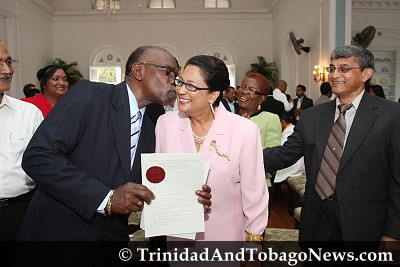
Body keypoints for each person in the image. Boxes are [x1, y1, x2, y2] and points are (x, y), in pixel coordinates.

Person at [18, 46, 211, 263]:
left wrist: (188, 200)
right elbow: (38, 156)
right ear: (139, 71)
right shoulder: (90, 95)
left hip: (111, 243)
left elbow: (151, 181)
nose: (175, 83)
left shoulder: (156, 120)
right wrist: (106, 198)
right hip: (58, 239)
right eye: (169, 73)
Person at [263, 45, 400, 253]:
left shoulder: (390, 115)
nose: (334, 75)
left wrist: (394, 231)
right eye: (332, 68)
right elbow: (285, 154)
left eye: (344, 69)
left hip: (365, 226)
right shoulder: (312, 117)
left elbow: (397, 179)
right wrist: (238, 155)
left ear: (366, 74)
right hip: (317, 220)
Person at [155, 55, 269, 241]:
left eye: (190, 86)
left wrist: (253, 245)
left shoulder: (244, 131)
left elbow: (254, 194)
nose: (180, 90)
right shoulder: (165, 125)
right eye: (180, 82)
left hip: (225, 239)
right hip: (179, 239)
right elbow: (160, 181)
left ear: (213, 95)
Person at [0, 42, 43, 241]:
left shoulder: (28, 113)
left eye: (9, 62)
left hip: (20, 212)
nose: (7, 70)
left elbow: (48, 162)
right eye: (0, 63)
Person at [237, 72, 281, 149]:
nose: (244, 92)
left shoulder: (270, 119)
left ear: (261, 98)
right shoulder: (228, 118)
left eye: (251, 90)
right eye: (242, 87)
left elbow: (272, 154)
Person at [273, 111, 305, 184]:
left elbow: (284, 153)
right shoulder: (292, 129)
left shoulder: (289, 133)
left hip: (293, 167)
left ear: (282, 122)